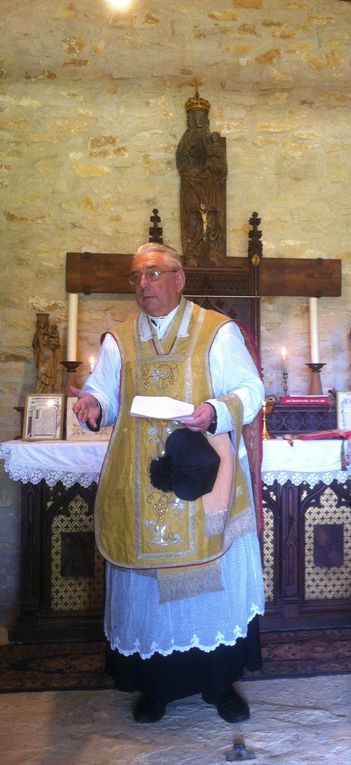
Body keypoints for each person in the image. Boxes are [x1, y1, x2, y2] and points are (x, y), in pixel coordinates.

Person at [71, 242, 265, 724]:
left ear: (179, 279)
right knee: (150, 596)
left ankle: (219, 683)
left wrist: (216, 411)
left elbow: (250, 390)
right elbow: (105, 393)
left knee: (209, 589)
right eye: (136, 277)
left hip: (205, 479)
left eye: (154, 274)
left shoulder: (216, 333)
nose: (144, 285)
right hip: (142, 481)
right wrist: (93, 406)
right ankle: (155, 687)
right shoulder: (118, 339)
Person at [176, 90, 227, 265]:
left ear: (205, 119)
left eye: (200, 117)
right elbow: (181, 163)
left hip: (210, 186)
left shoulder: (213, 142)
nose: (197, 120)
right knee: (192, 218)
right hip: (191, 184)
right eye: (193, 116)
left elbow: (222, 168)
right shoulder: (186, 139)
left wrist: (213, 166)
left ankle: (215, 252)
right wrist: (194, 176)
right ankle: (192, 253)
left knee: (213, 217)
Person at [32, 312, 60, 393]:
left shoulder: (50, 333)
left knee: (50, 373)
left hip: (50, 355)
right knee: (40, 373)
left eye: (44, 322)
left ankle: (48, 391)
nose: (42, 324)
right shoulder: (38, 333)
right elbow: (34, 345)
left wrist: (51, 343)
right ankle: (39, 392)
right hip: (42, 356)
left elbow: (56, 343)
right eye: (40, 322)